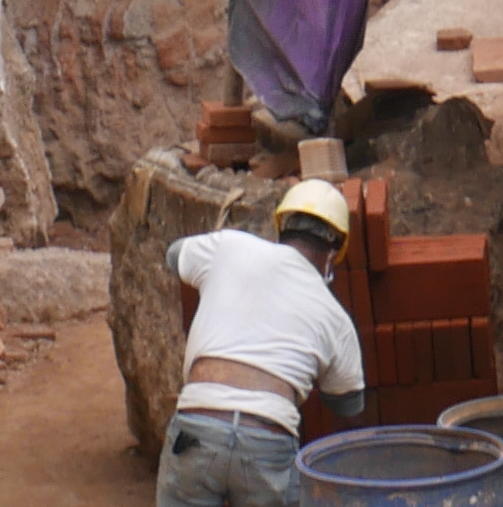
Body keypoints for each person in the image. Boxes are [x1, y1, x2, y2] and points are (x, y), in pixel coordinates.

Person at [155, 179, 369, 504]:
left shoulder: (229, 247)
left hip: (197, 429)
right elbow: (348, 404)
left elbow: (174, 255)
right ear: (333, 252)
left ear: (281, 224)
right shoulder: (335, 318)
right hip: (266, 441)